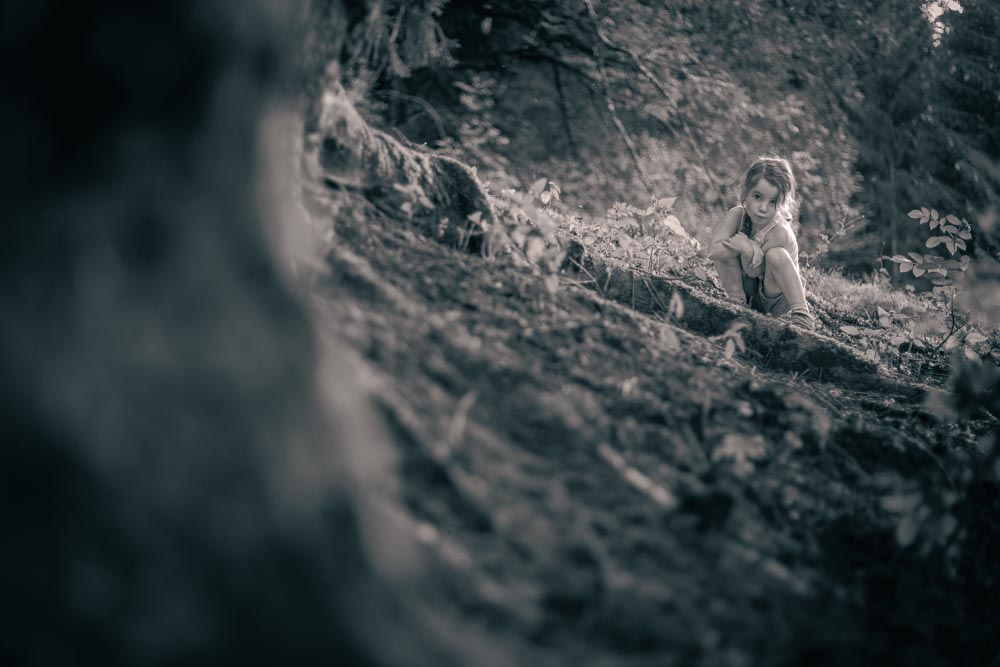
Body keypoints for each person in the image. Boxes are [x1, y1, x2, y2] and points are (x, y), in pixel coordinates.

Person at [707, 155, 816, 331]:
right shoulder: (737, 215)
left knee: (776, 254)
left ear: (782, 203)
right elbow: (713, 252)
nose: (763, 208)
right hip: (748, 289)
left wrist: (744, 245)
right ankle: (737, 302)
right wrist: (740, 245)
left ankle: (802, 314)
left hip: (774, 296)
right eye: (757, 197)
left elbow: (754, 270)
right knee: (724, 246)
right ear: (745, 192)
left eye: (772, 202)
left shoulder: (779, 231)